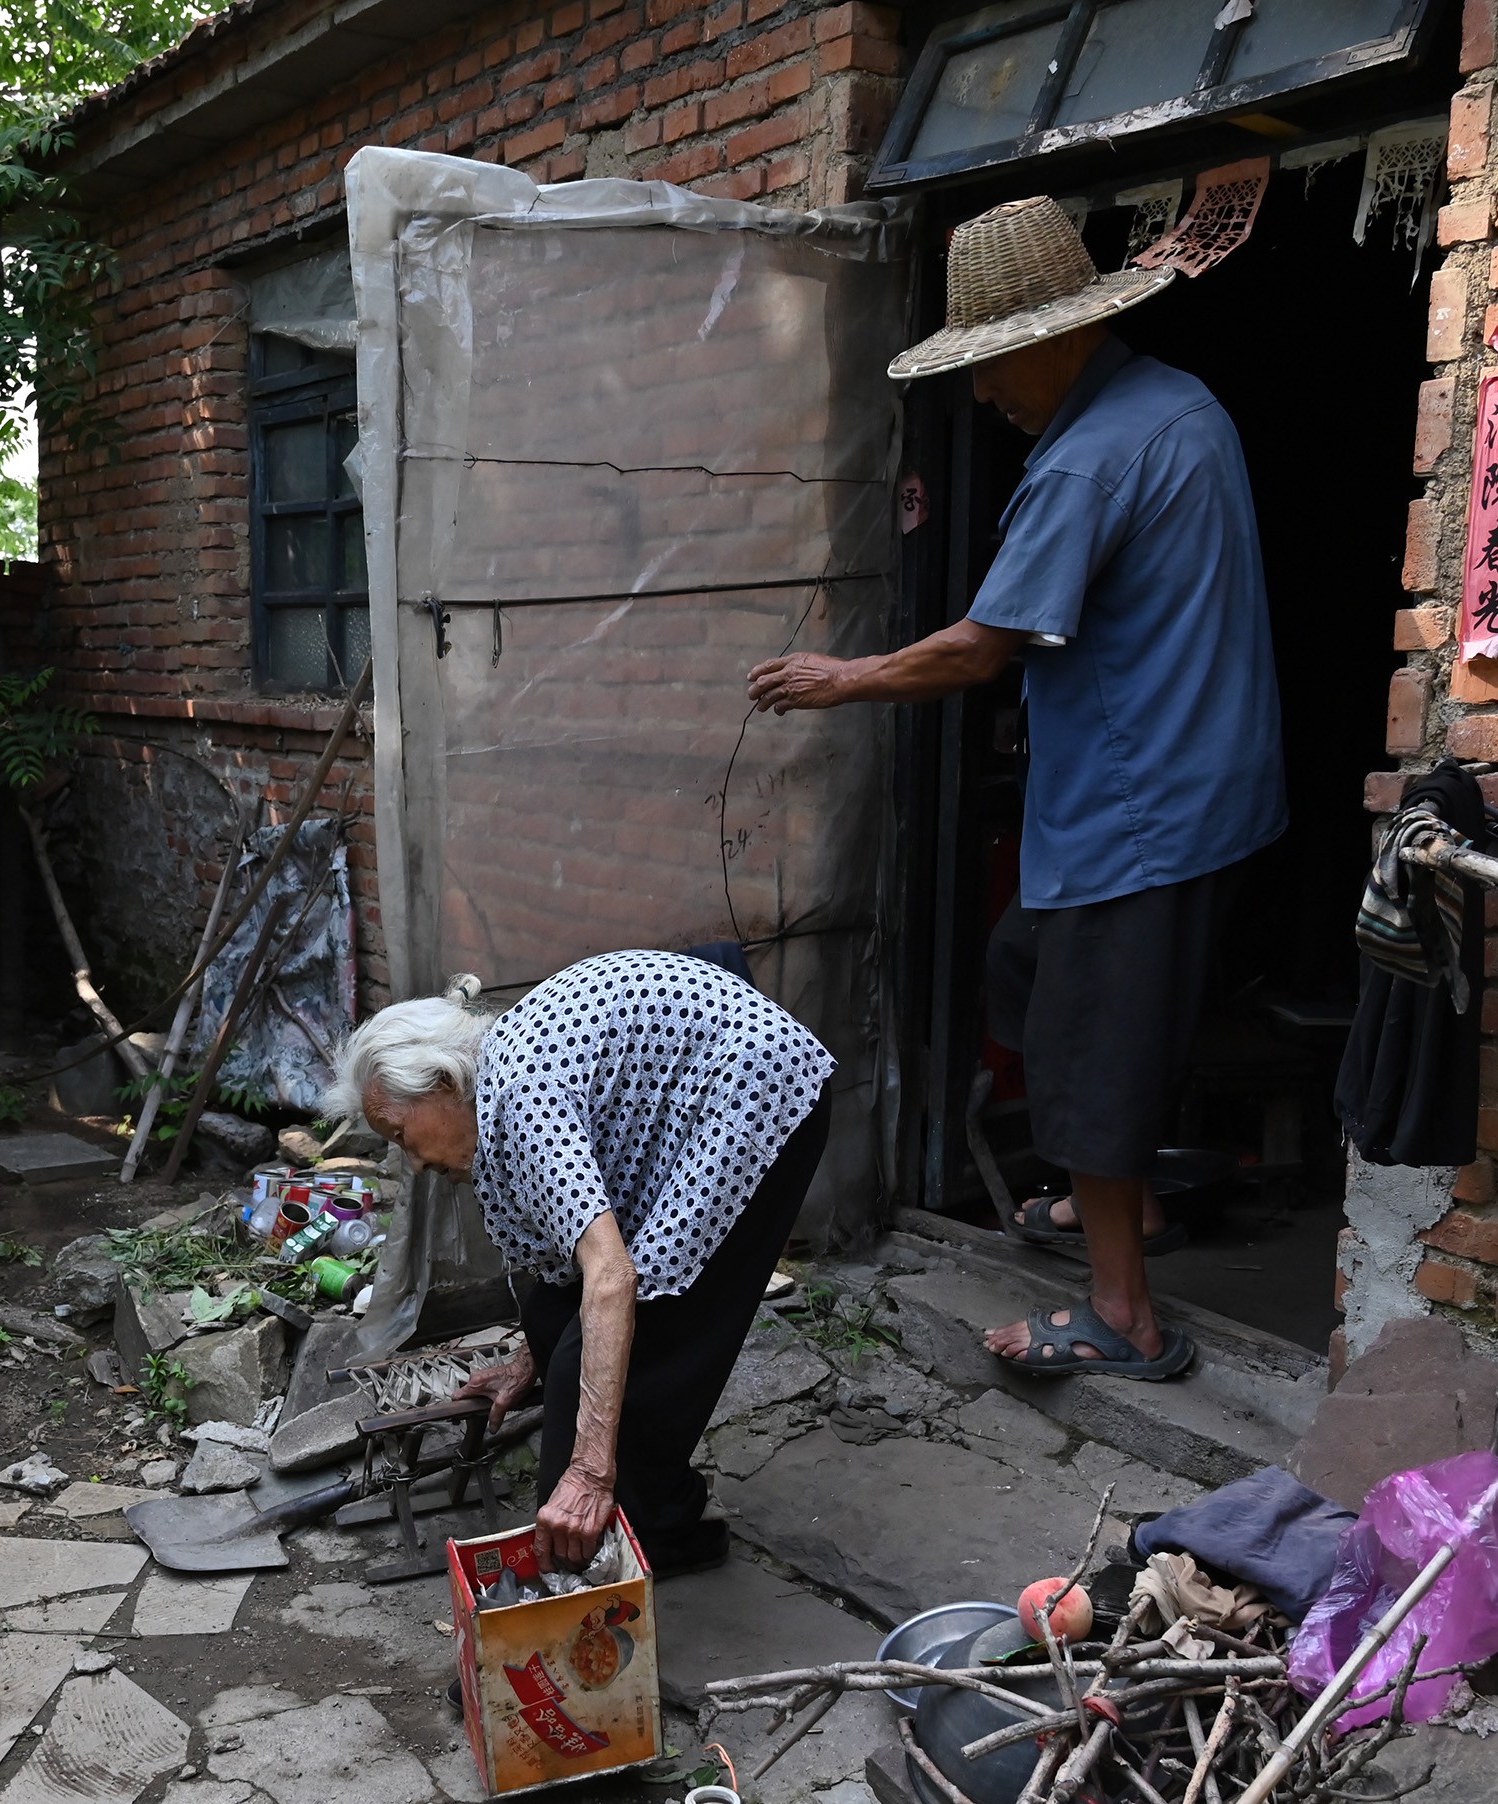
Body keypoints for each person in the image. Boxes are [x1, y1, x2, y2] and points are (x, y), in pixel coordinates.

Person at [746, 195, 1285, 1382]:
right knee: (1031, 969)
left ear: (1050, 338)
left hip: (1139, 802)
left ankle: (1121, 1315)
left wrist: (843, 678)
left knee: (1088, 1050)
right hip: (1197, 779)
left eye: (990, 368)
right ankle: (1127, 1208)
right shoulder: (1173, 402)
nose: (983, 395)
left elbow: (983, 646)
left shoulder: (1089, 460)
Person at [323, 951, 830, 1570]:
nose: (417, 1162)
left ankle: (620, 1548)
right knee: (550, 1318)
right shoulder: (495, 1088)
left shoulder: (522, 1101)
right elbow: (567, 1274)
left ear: (444, 1085)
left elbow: (613, 1278)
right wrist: (525, 1360)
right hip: (686, 1103)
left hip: (758, 1093)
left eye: (403, 1135)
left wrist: (589, 1470)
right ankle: (657, 1513)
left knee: (637, 1339)